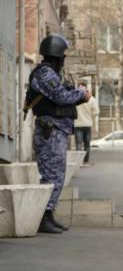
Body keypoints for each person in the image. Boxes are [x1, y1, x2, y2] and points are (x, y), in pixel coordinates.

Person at [25, 34, 89, 234]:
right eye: (63, 55)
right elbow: (61, 97)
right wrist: (81, 94)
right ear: (57, 55)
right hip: (50, 131)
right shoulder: (45, 74)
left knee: (56, 176)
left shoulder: (51, 73)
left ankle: (49, 214)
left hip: (56, 130)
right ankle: (43, 217)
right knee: (51, 176)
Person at [73, 82, 99, 165]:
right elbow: (96, 111)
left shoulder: (75, 98)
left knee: (78, 144)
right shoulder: (91, 99)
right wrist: (90, 116)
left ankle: (78, 162)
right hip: (87, 124)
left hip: (77, 124)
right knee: (87, 144)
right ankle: (86, 161)